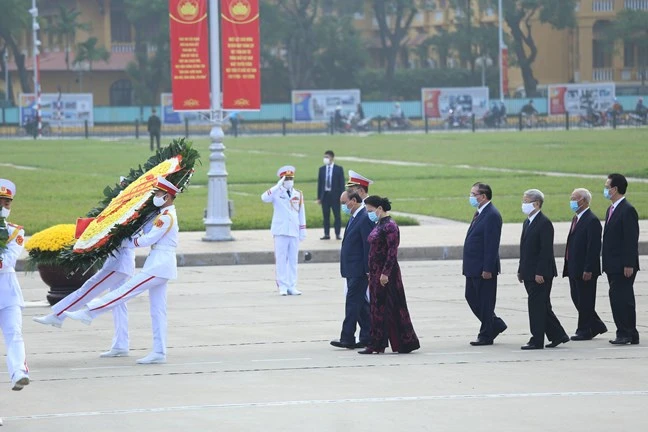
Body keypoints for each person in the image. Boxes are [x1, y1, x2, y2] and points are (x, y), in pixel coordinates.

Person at [64, 177, 181, 365]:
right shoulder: (162, 214)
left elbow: (147, 240)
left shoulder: (166, 217)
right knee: (157, 310)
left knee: (124, 292)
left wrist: (126, 241)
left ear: (167, 196)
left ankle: (90, 312)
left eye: (159, 194)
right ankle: (159, 351)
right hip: (160, 263)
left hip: (159, 264)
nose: (156, 196)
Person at [33, 243, 134, 358]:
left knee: (88, 289)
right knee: (118, 306)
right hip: (120, 264)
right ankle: (121, 345)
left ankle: (58, 315)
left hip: (118, 265)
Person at [359, 196, 419, 354]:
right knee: (378, 308)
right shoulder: (380, 223)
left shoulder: (390, 226)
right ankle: (382, 343)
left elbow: (392, 252)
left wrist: (385, 273)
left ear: (379, 208)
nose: (368, 213)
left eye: (370, 210)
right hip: (375, 272)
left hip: (386, 274)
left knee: (385, 308)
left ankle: (378, 344)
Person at [517, 189, 569, 350]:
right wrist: (521, 269)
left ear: (537, 203)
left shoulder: (544, 223)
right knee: (543, 305)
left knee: (536, 307)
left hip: (541, 273)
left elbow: (545, 251)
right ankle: (558, 335)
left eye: (527, 201)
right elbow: (524, 249)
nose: (523, 204)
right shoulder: (528, 222)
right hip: (528, 272)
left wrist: (540, 272)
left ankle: (537, 339)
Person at [463, 182, 507, 346]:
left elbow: (491, 244)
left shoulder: (492, 215)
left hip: (483, 268)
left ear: (483, 196)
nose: (471, 197)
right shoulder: (480, 213)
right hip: (472, 267)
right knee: (472, 297)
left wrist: (488, 268)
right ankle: (495, 324)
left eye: (473, 194)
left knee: (485, 301)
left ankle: (486, 334)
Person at [330, 191, 373, 350]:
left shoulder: (364, 218)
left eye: (344, 202)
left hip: (359, 271)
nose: (343, 206)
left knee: (352, 304)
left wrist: (368, 269)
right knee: (361, 305)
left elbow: (367, 246)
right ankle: (368, 335)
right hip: (351, 270)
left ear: (353, 201)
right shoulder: (355, 217)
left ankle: (347, 337)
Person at [563, 188, 607, 341]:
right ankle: (596, 325)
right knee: (577, 298)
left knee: (585, 300)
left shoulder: (591, 220)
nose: (572, 200)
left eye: (574, 198)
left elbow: (593, 248)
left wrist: (589, 269)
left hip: (585, 269)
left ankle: (584, 330)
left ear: (583, 201)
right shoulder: (576, 218)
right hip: (574, 267)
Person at [603, 173, 640, 345]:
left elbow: (630, 240)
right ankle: (631, 333)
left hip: (622, 265)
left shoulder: (627, 210)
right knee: (621, 298)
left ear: (615, 189)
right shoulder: (611, 209)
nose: (605, 190)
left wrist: (629, 264)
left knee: (621, 299)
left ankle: (624, 333)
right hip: (612, 264)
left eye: (607, 187)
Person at [0, 179, 30, 392]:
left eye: (7, 203)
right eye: (0, 202)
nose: (3, 207)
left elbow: (8, 261)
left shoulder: (15, 231)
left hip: (7, 291)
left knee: (14, 333)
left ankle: (19, 372)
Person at [261, 166, 306, 296]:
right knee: (281, 259)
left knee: (293, 259)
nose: (289, 180)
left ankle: (292, 285)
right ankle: (282, 286)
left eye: (291, 178)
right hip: (280, 230)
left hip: (293, 230)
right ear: (281, 179)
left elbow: (301, 213)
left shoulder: (298, 193)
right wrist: (277, 186)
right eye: (286, 178)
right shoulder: (276, 193)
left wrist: (302, 230)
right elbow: (264, 197)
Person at [317, 151, 345, 240]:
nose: (325, 159)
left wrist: (342, 197)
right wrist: (319, 197)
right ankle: (326, 234)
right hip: (325, 196)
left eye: (327, 157)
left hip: (335, 196)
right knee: (326, 216)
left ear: (332, 158)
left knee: (337, 216)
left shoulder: (338, 169)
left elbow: (342, 184)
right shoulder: (321, 169)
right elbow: (320, 184)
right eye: (324, 157)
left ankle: (337, 234)